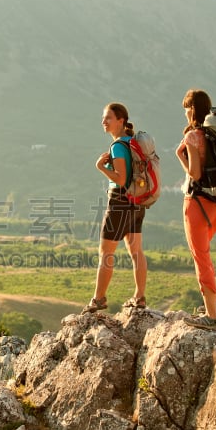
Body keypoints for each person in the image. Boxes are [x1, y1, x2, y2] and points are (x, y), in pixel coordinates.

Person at [83, 102, 147, 313]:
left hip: (119, 201)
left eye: (108, 118)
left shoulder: (119, 146)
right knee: (136, 251)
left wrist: (101, 167)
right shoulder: (133, 143)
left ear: (121, 121)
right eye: (103, 118)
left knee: (106, 253)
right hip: (136, 202)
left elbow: (120, 179)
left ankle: (98, 299)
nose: (104, 121)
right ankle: (139, 297)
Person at [176, 89, 216, 330]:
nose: (184, 112)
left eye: (186, 108)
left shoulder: (194, 136)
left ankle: (211, 316)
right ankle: (215, 304)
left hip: (197, 203)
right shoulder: (215, 134)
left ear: (192, 109)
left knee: (200, 256)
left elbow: (195, 173)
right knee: (205, 254)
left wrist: (181, 157)